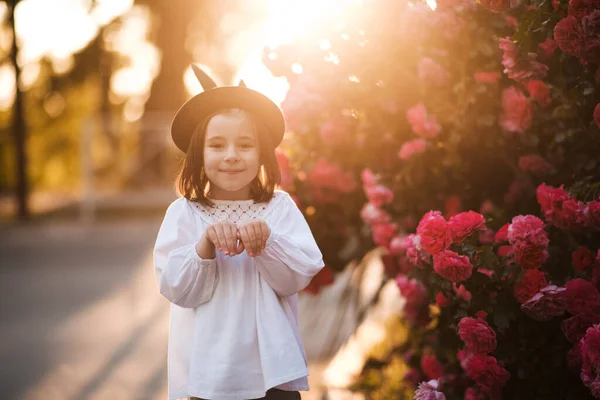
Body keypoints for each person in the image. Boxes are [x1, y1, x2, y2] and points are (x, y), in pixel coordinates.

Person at [153, 64, 325, 400]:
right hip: (209, 378)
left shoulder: (278, 207)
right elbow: (176, 288)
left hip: (272, 375)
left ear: (262, 153)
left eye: (245, 145)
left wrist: (267, 244)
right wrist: (204, 246)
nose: (231, 156)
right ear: (199, 155)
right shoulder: (185, 213)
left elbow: (298, 276)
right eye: (217, 145)